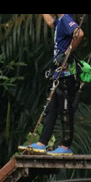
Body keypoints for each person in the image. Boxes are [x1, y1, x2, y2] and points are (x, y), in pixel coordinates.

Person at [27, 14, 85, 155]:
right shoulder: (60, 21)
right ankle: (42, 142)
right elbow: (50, 22)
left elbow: (80, 34)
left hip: (66, 75)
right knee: (51, 108)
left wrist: (66, 53)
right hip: (58, 73)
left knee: (65, 110)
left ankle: (65, 146)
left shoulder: (65, 18)